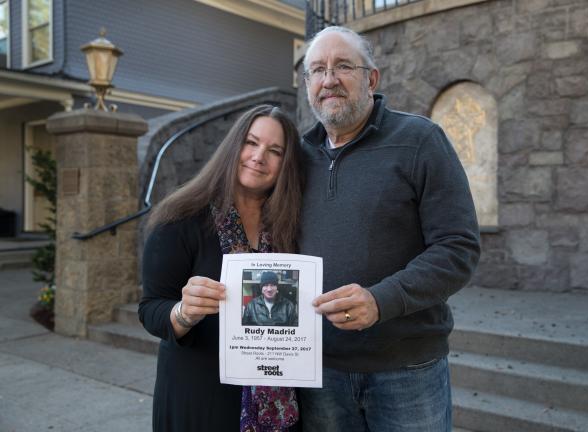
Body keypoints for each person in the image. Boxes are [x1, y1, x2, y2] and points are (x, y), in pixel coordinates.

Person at [298, 26, 481, 431]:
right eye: (317, 70)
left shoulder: (420, 140)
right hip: (319, 372)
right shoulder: (298, 156)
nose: (328, 79)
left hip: (406, 367)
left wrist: (381, 300)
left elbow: (458, 247)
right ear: (308, 83)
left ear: (371, 78)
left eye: (343, 66)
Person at [138, 105, 302, 432]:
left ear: (286, 164)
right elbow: (151, 309)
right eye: (251, 143)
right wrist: (184, 312)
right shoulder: (180, 219)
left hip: (278, 404)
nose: (259, 157)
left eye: (274, 151)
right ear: (233, 146)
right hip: (202, 399)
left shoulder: (291, 225)